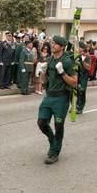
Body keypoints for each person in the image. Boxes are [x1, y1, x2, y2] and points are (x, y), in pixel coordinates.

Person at [38, 36, 77, 164]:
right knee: (41, 122)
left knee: (58, 125)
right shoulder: (49, 60)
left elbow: (74, 82)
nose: (53, 45)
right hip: (49, 96)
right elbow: (44, 81)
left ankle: (55, 152)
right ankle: (52, 140)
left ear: (62, 46)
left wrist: (63, 73)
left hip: (61, 98)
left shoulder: (67, 61)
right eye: (52, 43)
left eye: (55, 44)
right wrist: (43, 72)